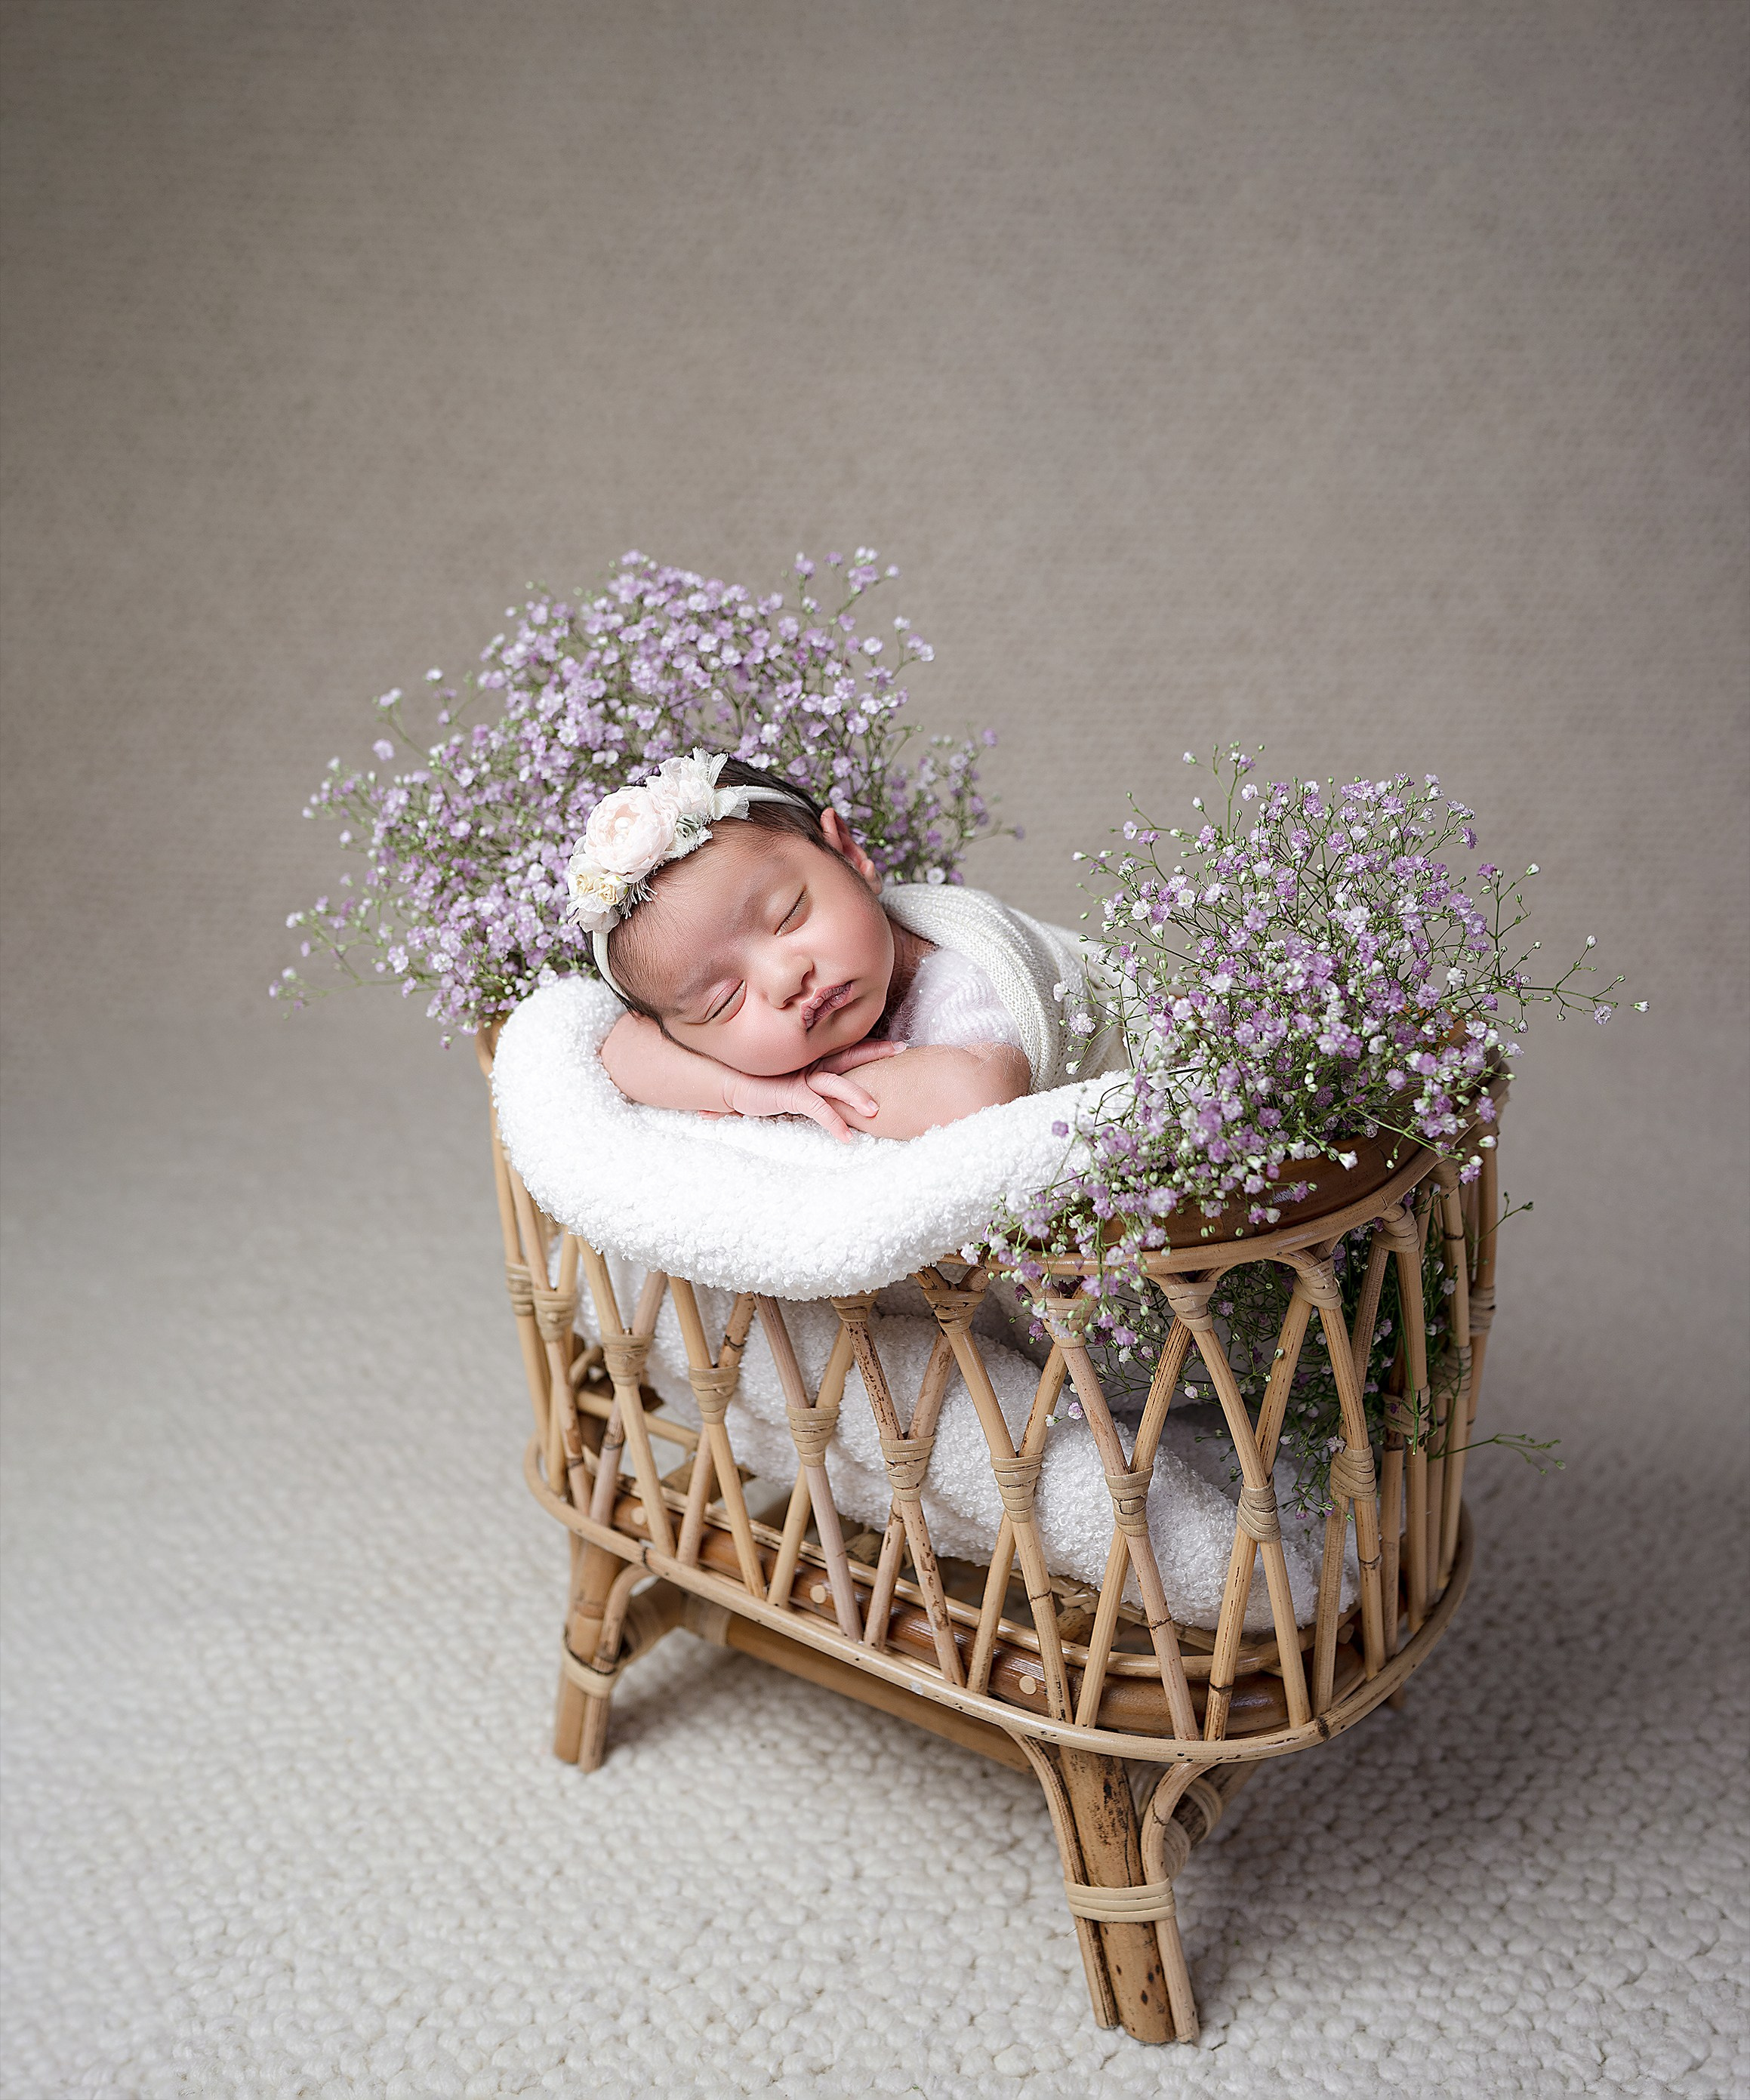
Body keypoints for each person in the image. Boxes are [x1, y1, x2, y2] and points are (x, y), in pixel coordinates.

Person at [566, 750, 1125, 1141]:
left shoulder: (959, 978)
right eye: (725, 1001)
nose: (786, 980)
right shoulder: (711, 1035)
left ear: (851, 857)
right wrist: (753, 1091)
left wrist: (812, 1091)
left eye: (789, 915)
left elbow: (978, 1090)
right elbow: (620, 1052)